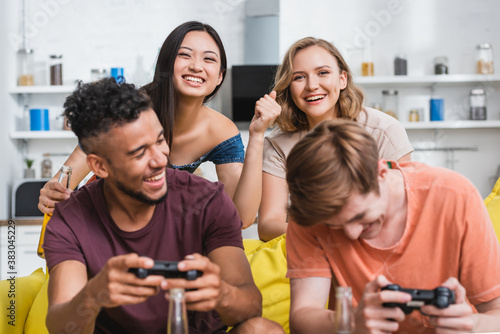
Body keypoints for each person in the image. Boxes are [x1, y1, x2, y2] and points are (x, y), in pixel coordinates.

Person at [43, 78, 284, 334]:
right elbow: (61, 328)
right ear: (100, 167)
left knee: (262, 329)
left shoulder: (207, 199)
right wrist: (93, 295)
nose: (160, 160)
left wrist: (222, 294)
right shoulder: (70, 218)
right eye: (139, 153)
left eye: (160, 141)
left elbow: (250, 307)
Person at [38, 21, 280, 229]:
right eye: (185, 55)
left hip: (154, 234)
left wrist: (257, 135)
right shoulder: (126, 109)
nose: (196, 66)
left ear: (219, 76)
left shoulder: (221, 131)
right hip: (99, 222)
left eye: (209, 59)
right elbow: (64, 180)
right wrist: (52, 193)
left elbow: (241, 218)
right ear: (165, 64)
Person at [285, 119, 500, 333]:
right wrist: (352, 323)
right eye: (335, 226)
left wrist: (472, 324)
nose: (351, 234)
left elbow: (496, 314)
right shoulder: (311, 211)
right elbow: (302, 316)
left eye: (361, 216)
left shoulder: (455, 196)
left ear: (382, 173)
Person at [258, 37, 413, 242]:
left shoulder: (384, 131)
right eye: (299, 77)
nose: (312, 85)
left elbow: (404, 214)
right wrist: (331, 236)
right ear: (289, 87)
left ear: (342, 79)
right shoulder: (278, 145)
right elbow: (269, 225)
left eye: (323, 73)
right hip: (309, 249)